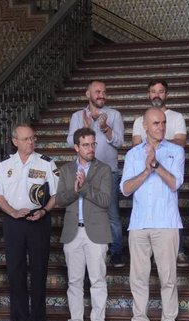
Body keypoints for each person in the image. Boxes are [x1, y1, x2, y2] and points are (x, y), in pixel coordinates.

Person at [119, 107, 184, 321]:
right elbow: (125, 189)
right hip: (139, 223)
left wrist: (156, 165)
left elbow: (175, 183)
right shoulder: (133, 155)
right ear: (144, 126)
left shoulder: (175, 151)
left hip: (166, 222)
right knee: (138, 277)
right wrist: (146, 171)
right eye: (155, 123)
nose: (161, 127)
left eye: (163, 123)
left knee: (168, 277)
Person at [0, 123, 58, 321]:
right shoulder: (4, 165)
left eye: (33, 138)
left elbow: (56, 194)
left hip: (38, 221)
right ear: (15, 142)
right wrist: (11, 212)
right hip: (13, 223)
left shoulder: (46, 163)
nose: (31, 142)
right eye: (26, 139)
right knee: (16, 272)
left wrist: (44, 211)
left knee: (39, 272)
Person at [56, 127, 112, 321]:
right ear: (76, 147)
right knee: (74, 280)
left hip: (96, 231)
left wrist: (85, 187)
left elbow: (106, 201)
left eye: (93, 144)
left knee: (98, 279)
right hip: (72, 231)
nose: (91, 148)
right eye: (86, 145)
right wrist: (75, 189)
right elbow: (60, 200)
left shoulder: (104, 169)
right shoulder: (67, 170)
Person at [132, 79, 189, 268]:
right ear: (148, 94)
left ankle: (178, 250)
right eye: (153, 91)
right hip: (144, 174)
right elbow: (136, 147)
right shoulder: (137, 121)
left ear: (166, 94)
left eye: (161, 91)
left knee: (170, 208)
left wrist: (159, 145)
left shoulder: (177, 116)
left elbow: (181, 142)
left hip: (169, 171)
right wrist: (158, 145)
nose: (157, 95)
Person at [67, 80, 125, 268]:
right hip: (84, 172)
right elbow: (70, 141)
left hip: (108, 172)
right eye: (97, 91)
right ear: (88, 94)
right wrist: (84, 129)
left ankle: (116, 251)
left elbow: (119, 142)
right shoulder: (77, 116)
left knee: (112, 214)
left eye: (104, 92)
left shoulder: (114, 115)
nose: (101, 95)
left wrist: (106, 128)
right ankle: (89, 250)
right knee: (86, 212)